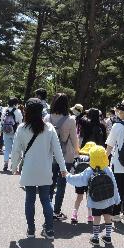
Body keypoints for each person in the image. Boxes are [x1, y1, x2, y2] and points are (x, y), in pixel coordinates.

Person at [10, 98, 67, 240]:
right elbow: (57, 151)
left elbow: (16, 150)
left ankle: (31, 230)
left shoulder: (22, 128)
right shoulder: (49, 128)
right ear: (42, 111)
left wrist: (14, 166)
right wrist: (63, 168)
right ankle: (49, 230)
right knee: (46, 200)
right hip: (45, 170)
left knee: (29, 199)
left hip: (29, 169)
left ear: (27, 112)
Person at [67, 145, 120, 245]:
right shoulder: (108, 169)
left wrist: (68, 176)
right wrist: (117, 199)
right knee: (107, 217)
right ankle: (108, 237)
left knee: (96, 218)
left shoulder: (89, 170)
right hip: (109, 200)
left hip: (96, 201)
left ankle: (96, 238)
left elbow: (79, 179)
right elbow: (115, 185)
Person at [44, 93, 80, 221]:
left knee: (49, 183)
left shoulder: (47, 118)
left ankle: (47, 210)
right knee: (61, 184)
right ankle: (57, 211)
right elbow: (74, 140)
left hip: (50, 155)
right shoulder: (70, 120)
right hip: (66, 156)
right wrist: (78, 152)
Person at [70, 141, 96, 224]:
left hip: (79, 180)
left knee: (79, 197)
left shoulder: (78, 157)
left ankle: (74, 214)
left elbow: (73, 169)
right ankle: (90, 216)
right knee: (89, 198)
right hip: (89, 181)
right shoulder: (93, 157)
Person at [0, 97, 23, 172]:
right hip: (15, 132)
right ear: (15, 104)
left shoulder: (4, 110)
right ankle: (13, 165)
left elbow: (1, 122)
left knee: (6, 148)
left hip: (5, 131)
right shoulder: (18, 111)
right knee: (15, 149)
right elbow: (20, 122)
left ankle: (5, 164)